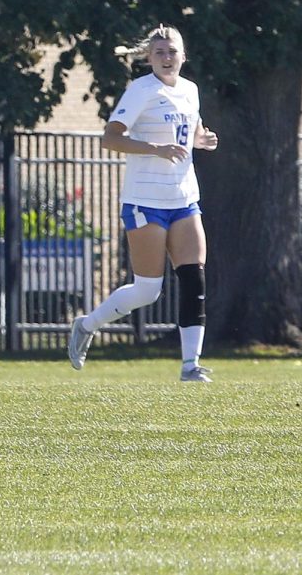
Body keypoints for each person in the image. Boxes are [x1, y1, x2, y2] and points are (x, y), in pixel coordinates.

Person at [68, 24, 219, 382]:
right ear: (149, 58)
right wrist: (155, 149)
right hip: (144, 200)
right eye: (159, 53)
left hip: (184, 197)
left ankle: (190, 366)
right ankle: (87, 325)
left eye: (172, 52)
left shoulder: (190, 90)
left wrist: (201, 139)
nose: (167, 58)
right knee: (148, 290)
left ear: (184, 56)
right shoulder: (141, 90)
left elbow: (189, 129)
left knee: (194, 278)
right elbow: (110, 139)